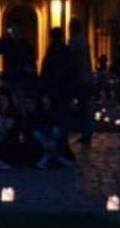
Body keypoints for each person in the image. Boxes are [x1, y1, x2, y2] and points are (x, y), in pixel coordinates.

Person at [36, 27, 75, 168]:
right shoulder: (65, 50)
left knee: (56, 121)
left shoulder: (53, 50)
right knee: (62, 121)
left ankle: (58, 149)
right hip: (63, 90)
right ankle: (61, 148)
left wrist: (44, 85)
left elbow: (48, 70)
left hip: (56, 90)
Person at [68, 18, 94, 145]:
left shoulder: (74, 41)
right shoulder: (83, 40)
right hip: (86, 76)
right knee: (85, 107)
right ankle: (86, 132)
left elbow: (75, 61)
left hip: (79, 78)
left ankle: (85, 132)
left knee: (82, 107)